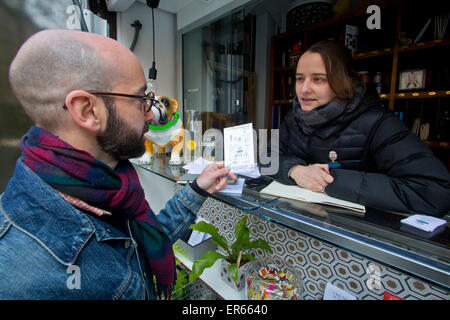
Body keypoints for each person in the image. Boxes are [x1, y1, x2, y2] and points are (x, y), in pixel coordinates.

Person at [0, 29, 236, 299]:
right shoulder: (16, 279)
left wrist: (197, 189)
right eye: (140, 98)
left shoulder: (106, 186)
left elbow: (142, 243)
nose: (150, 112)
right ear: (87, 110)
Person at [275, 40, 450, 217]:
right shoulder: (293, 117)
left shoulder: (378, 121)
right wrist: (296, 170)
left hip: (356, 233)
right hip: (297, 222)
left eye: (318, 79)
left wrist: (329, 180)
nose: (304, 89)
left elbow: (434, 192)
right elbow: (266, 158)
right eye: (299, 79)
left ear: (344, 81)